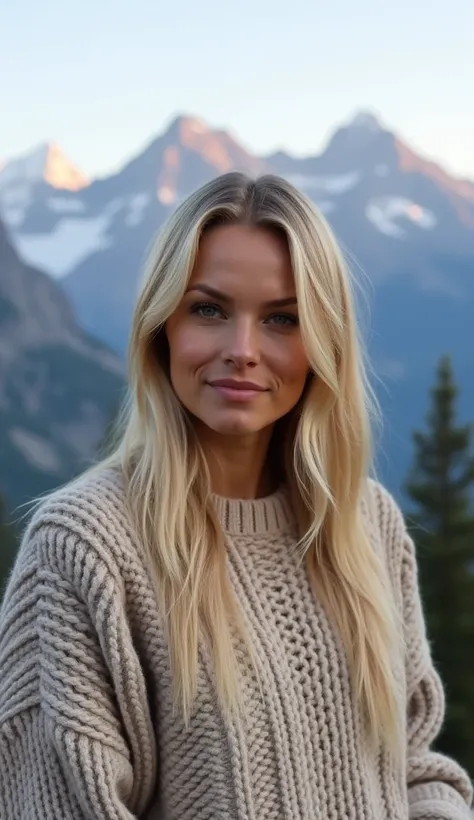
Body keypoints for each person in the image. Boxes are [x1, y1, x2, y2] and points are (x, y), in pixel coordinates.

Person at [0, 172, 472, 820]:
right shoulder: (84, 546)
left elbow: (414, 766)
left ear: (324, 342)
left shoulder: (366, 522)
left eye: (282, 318)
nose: (243, 351)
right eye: (209, 309)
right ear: (160, 326)